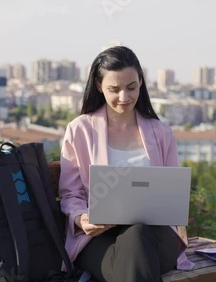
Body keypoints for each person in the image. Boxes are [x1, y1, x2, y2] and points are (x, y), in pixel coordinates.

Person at [59, 46, 194, 282]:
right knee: (131, 260)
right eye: (114, 89)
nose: (124, 97)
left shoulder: (160, 132)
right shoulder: (80, 130)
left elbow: (173, 194)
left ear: (141, 81)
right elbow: (71, 194)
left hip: (154, 237)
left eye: (131, 87)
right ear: (99, 86)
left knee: (136, 236)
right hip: (99, 238)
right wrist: (82, 219)